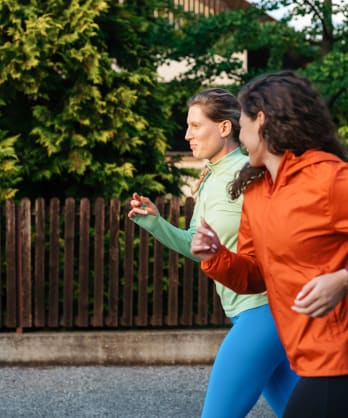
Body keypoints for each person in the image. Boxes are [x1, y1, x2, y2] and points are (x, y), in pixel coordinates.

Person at [128, 88, 299, 418]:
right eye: (188, 126)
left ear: (224, 128)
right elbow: (200, 248)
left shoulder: (248, 174)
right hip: (245, 313)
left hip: (264, 312)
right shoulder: (210, 176)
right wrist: (156, 224)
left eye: (195, 126)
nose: (187, 135)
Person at [191, 72, 348, 418]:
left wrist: (342, 279)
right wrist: (216, 257)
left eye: (242, 120)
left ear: (260, 120)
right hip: (305, 354)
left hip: (338, 356)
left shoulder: (331, 179)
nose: (239, 131)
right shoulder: (258, 192)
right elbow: (255, 277)